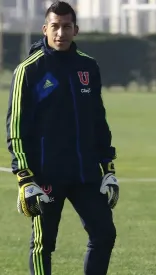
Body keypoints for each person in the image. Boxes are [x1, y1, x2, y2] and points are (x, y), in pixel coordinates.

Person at [5, 1, 119, 274]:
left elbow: (97, 120)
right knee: (44, 244)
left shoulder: (88, 67)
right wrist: (24, 177)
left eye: (66, 26)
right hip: (47, 175)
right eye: (55, 27)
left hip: (86, 174)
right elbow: (16, 128)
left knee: (105, 234)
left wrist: (108, 168)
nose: (60, 33)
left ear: (75, 29)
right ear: (45, 29)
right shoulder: (28, 71)